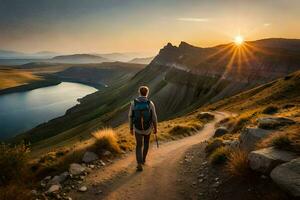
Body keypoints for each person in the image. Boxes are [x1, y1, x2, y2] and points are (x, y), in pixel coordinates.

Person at [128, 86, 158, 171]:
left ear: (139, 92)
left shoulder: (133, 103)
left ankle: (139, 163)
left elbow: (130, 116)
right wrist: (155, 128)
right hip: (148, 128)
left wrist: (131, 128)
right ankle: (143, 160)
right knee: (146, 143)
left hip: (137, 129)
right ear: (147, 93)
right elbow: (154, 117)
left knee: (138, 145)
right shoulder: (150, 103)